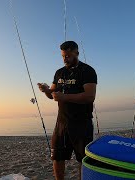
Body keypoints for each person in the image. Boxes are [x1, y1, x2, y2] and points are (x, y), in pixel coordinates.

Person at [38, 41, 97, 180]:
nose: (65, 59)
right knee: (57, 157)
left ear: (76, 52)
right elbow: (52, 95)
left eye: (68, 55)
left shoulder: (87, 71)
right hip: (62, 122)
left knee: (83, 160)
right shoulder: (59, 72)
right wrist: (46, 90)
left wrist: (64, 96)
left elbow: (89, 97)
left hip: (82, 123)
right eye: (63, 56)